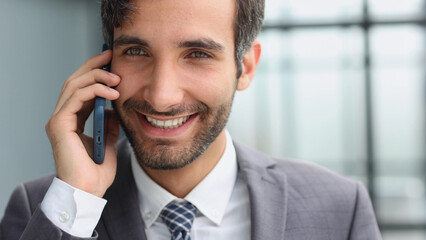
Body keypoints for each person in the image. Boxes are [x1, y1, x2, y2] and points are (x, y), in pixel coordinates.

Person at [0, 0, 382, 239]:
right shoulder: (42, 209)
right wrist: (76, 201)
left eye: (197, 54)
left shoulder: (338, 209)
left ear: (244, 67)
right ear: (105, 62)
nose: (161, 95)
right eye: (135, 50)